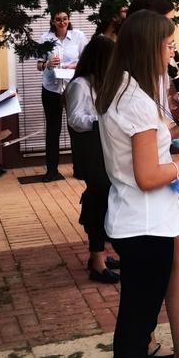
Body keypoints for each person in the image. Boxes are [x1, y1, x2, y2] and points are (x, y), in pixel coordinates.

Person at [95, 10, 179, 358]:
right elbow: (148, 176)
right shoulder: (136, 102)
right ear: (149, 49)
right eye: (168, 46)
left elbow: (149, 146)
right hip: (145, 225)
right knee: (136, 324)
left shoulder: (123, 89)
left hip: (138, 218)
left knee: (136, 317)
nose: (171, 53)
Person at [65, 35, 120, 284]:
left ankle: (100, 254)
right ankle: (96, 262)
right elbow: (75, 120)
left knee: (105, 199)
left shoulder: (102, 83)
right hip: (90, 153)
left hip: (105, 151)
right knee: (98, 200)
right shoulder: (80, 85)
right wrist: (102, 120)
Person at [36, 9, 86, 181]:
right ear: (52, 21)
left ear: (69, 20)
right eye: (58, 19)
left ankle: (80, 169)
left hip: (73, 87)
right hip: (51, 87)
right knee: (53, 129)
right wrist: (48, 64)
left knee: (75, 128)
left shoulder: (78, 36)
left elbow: (86, 60)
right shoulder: (46, 38)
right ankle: (51, 171)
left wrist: (73, 66)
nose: (62, 22)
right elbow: (39, 65)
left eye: (65, 19)